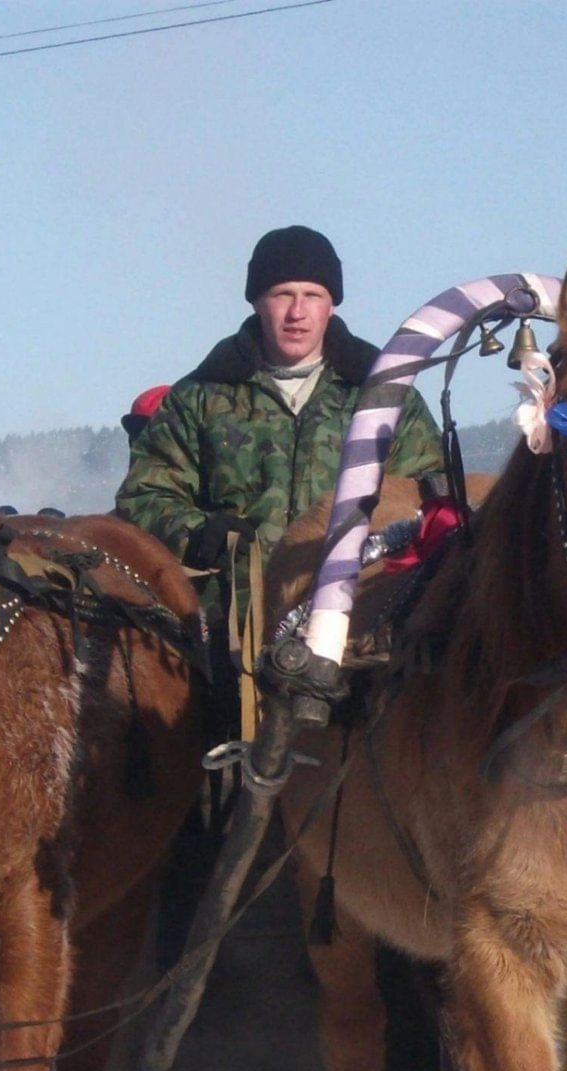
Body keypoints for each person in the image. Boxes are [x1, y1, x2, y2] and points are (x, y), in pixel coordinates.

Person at [117, 224, 444, 739]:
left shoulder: (382, 399)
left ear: (331, 304)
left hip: (356, 633)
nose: (297, 312)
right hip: (226, 632)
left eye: (312, 295)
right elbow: (144, 494)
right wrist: (198, 532)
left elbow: (432, 500)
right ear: (256, 303)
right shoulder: (202, 397)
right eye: (282, 295)